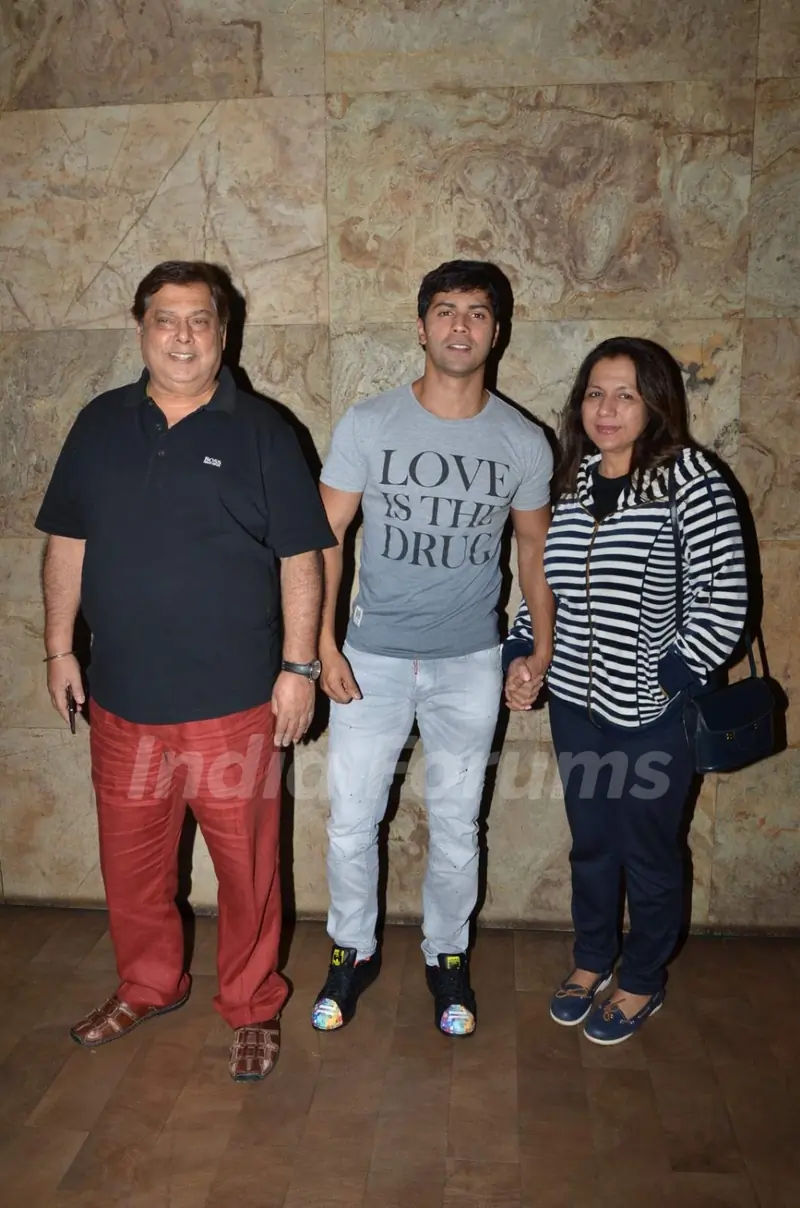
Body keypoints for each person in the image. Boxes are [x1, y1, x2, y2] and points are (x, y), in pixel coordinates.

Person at [36, 260, 334, 1081]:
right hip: (122, 703)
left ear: (223, 333)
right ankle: (149, 984)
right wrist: (59, 648)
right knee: (132, 871)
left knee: (248, 875)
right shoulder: (99, 424)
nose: (182, 336)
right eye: (165, 319)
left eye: (200, 320)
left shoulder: (265, 431)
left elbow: (301, 556)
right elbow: (67, 541)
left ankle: (252, 1004)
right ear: (141, 329)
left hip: (234, 706)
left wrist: (299, 667)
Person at [311, 260, 554, 1037]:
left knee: (457, 824)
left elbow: (534, 555)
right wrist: (323, 646)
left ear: (496, 332)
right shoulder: (369, 424)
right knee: (352, 820)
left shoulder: (523, 441)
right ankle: (351, 953)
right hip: (370, 658)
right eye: (445, 311)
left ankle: (448, 957)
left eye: (477, 313)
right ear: (421, 327)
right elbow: (325, 537)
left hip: (469, 662)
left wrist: (538, 651)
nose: (460, 326)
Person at [504, 337, 747, 1045]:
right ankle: (591, 959)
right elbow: (543, 584)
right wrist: (524, 652)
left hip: (653, 716)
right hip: (578, 709)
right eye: (594, 394)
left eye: (625, 395)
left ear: (655, 404)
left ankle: (642, 977)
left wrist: (673, 675)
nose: (606, 410)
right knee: (591, 844)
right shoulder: (572, 483)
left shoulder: (690, 480)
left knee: (647, 851)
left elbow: (725, 597)